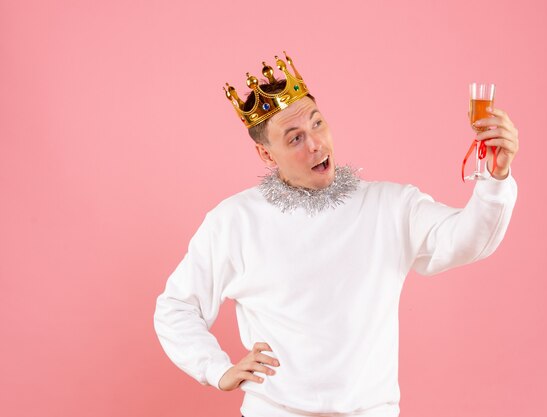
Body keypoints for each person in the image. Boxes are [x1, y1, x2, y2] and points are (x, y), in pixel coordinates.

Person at [153, 51, 519, 417]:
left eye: (317, 124)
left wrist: (496, 179)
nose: (315, 144)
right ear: (266, 154)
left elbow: (468, 240)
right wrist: (216, 369)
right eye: (294, 138)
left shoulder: (389, 205)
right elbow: (176, 306)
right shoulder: (235, 221)